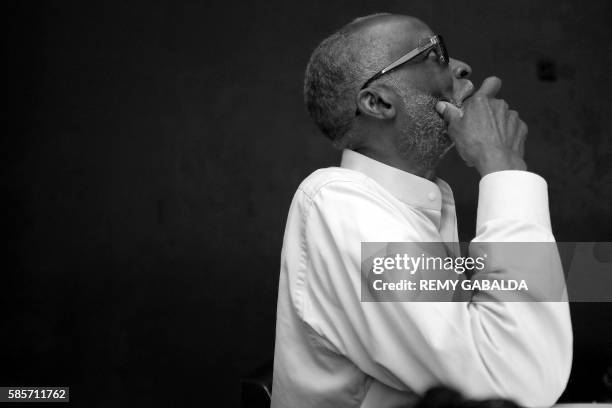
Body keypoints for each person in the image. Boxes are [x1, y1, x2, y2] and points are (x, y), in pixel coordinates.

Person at [271, 13, 572, 408]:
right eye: (434, 54)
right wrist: (503, 167)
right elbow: (514, 382)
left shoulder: (416, 206)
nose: (461, 66)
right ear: (378, 101)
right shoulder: (339, 206)